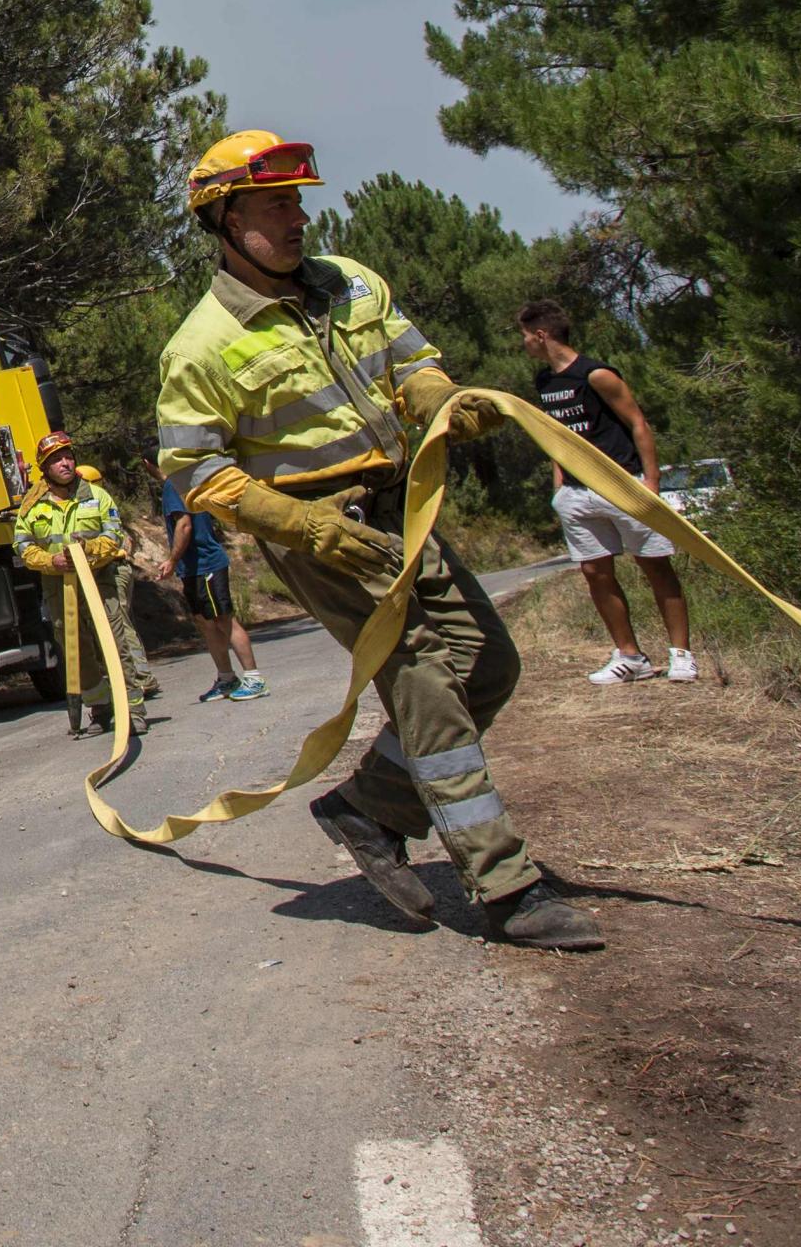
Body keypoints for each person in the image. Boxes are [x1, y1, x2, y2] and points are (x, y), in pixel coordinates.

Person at [154, 129, 601, 950]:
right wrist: (310, 527)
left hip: (405, 507)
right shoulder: (201, 346)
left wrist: (444, 403)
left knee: (489, 665)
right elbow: (199, 474)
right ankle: (506, 885)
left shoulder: (353, 283)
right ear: (224, 220)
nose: (296, 220)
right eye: (275, 205)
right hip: (322, 538)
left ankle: (366, 810)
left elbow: (414, 364)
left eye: (298, 201)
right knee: (425, 682)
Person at [517, 301, 695, 685]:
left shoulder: (596, 375)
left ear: (542, 335)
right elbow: (556, 438)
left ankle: (681, 655)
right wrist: (559, 487)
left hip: (623, 485)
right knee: (595, 571)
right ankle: (630, 657)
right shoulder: (545, 383)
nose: (525, 344)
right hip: (578, 494)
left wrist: (650, 484)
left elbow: (638, 424)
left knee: (654, 566)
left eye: (526, 336)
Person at [15, 432, 163, 723]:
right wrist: (51, 560)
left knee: (115, 643)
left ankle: (132, 710)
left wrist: (87, 550)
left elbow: (113, 536)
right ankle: (101, 706)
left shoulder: (96, 496)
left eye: (68, 457)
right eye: (56, 460)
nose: (65, 464)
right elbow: (22, 546)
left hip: (99, 579)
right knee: (75, 648)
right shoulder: (33, 506)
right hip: (58, 584)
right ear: (44, 468)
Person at [160, 470, 262, 700]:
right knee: (206, 623)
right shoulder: (185, 482)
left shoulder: (172, 485)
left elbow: (184, 524)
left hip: (206, 565)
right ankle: (226, 678)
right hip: (193, 569)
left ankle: (254, 678)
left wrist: (172, 559)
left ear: (148, 463)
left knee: (224, 620)